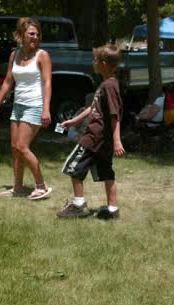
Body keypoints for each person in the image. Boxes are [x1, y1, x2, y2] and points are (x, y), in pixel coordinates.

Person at [0, 17, 53, 200]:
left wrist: (46, 109)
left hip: (35, 105)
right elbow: (8, 81)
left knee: (22, 146)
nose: (35, 37)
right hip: (18, 106)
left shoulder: (42, 55)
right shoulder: (14, 55)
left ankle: (41, 185)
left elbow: (47, 83)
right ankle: (18, 188)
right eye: (31, 33)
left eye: (38, 34)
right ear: (20, 35)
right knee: (15, 148)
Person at [57, 45, 125, 219]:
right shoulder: (107, 83)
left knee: (74, 166)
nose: (93, 62)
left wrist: (117, 141)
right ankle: (112, 209)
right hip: (103, 139)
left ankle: (78, 204)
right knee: (105, 171)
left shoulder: (109, 85)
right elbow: (93, 107)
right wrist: (74, 121)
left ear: (103, 63)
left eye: (95, 60)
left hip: (95, 136)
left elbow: (114, 114)